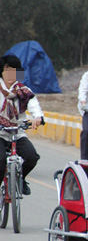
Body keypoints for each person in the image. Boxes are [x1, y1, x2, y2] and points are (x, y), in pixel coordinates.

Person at [0, 53, 43, 195]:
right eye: (7, 69)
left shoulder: (23, 90)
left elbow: (33, 104)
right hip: (0, 133)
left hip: (16, 133)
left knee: (32, 156)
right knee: (0, 160)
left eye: (14, 69)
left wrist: (37, 117)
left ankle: (21, 179)